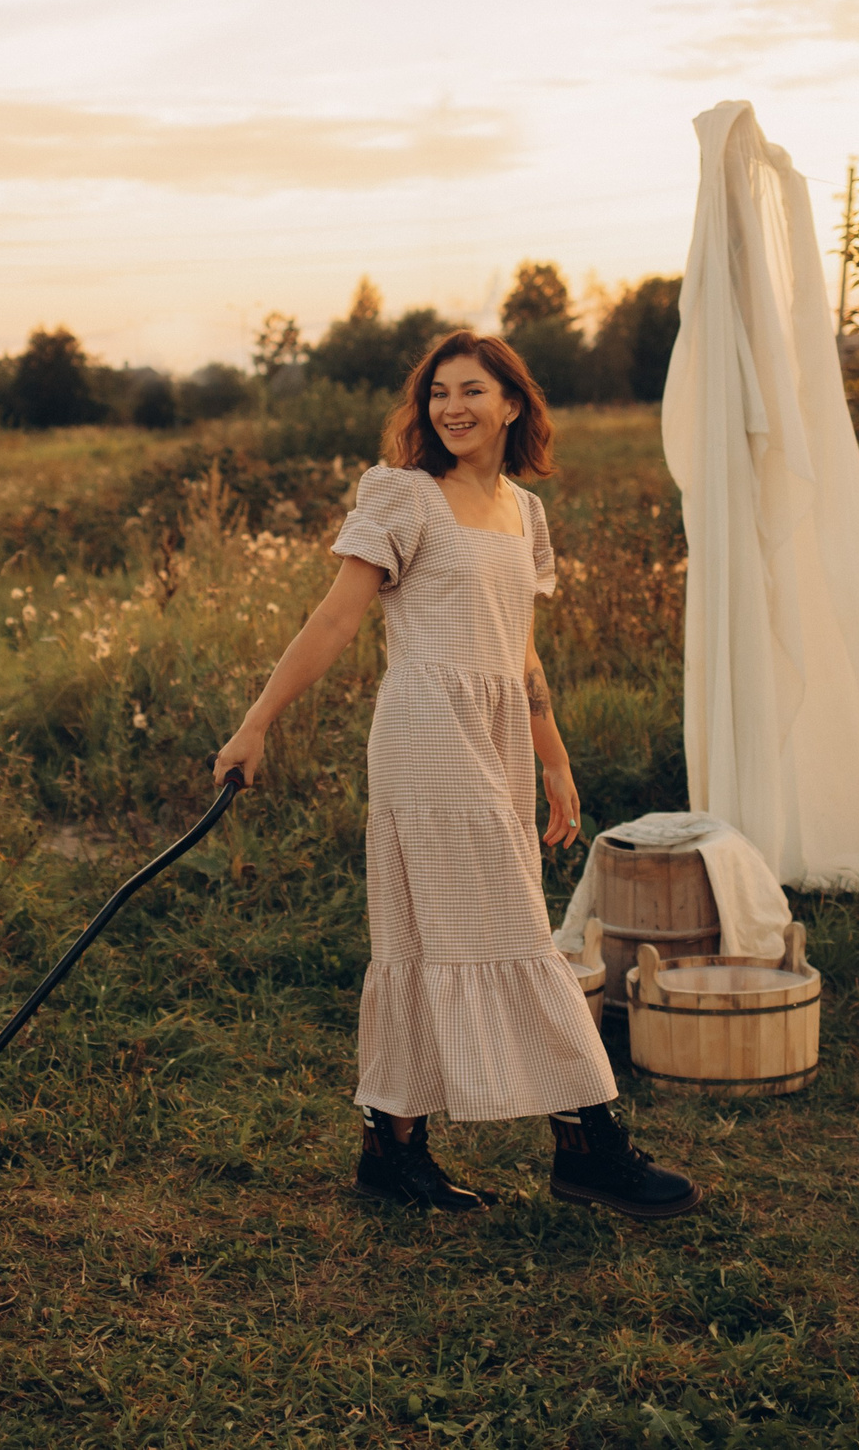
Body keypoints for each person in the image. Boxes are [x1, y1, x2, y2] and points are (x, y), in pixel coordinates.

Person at [213, 331, 699, 1220]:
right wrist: (257, 722)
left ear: (513, 402)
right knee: (517, 929)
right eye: (439, 392)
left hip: (500, 733)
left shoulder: (523, 512)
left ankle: (391, 1151)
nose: (452, 407)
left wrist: (553, 759)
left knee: (420, 937)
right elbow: (334, 619)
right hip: (427, 729)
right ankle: (588, 1143)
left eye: (472, 390)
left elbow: (518, 648)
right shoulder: (404, 496)